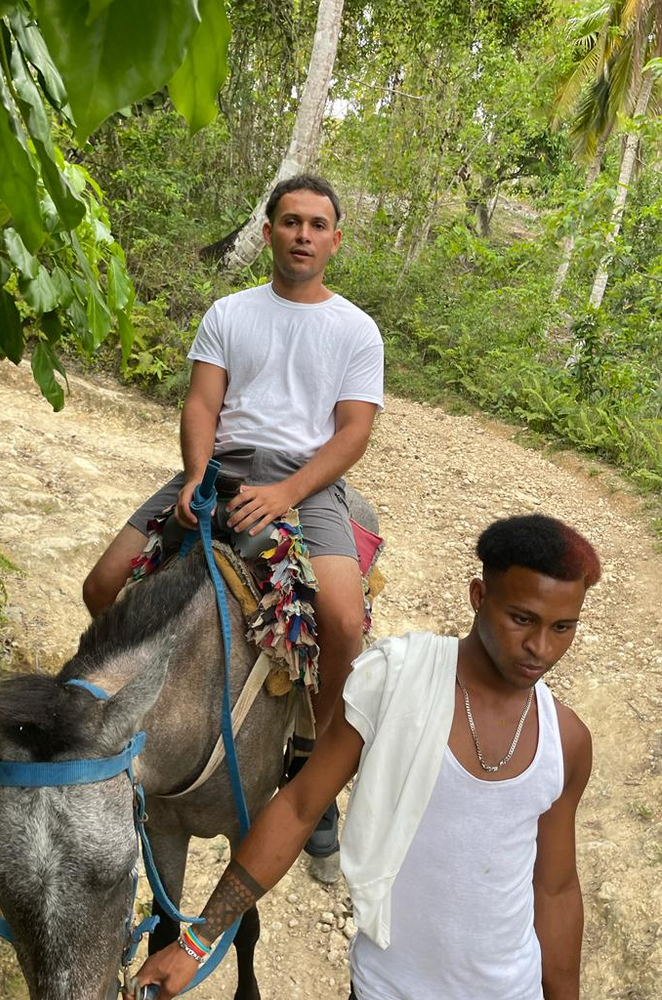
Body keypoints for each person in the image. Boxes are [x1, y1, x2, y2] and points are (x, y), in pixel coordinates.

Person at [127, 513, 600, 1000]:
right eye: (522, 619)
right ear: (479, 596)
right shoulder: (395, 681)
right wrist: (197, 943)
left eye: (563, 627)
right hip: (386, 990)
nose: (540, 648)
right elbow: (298, 807)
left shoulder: (565, 741)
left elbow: (556, 889)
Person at [83, 174, 384, 739]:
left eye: (318, 225)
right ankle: (112, 717)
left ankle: (311, 757)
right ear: (268, 232)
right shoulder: (229, 313)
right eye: (291, 222)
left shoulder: (358, 331)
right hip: (220, 468)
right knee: (101, 586)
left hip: (306, 483)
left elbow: (352, 434)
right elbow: (201, 403)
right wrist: (196, 477)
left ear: (335, 241)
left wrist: (284, 494)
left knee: (343, 621)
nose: (303, 235)